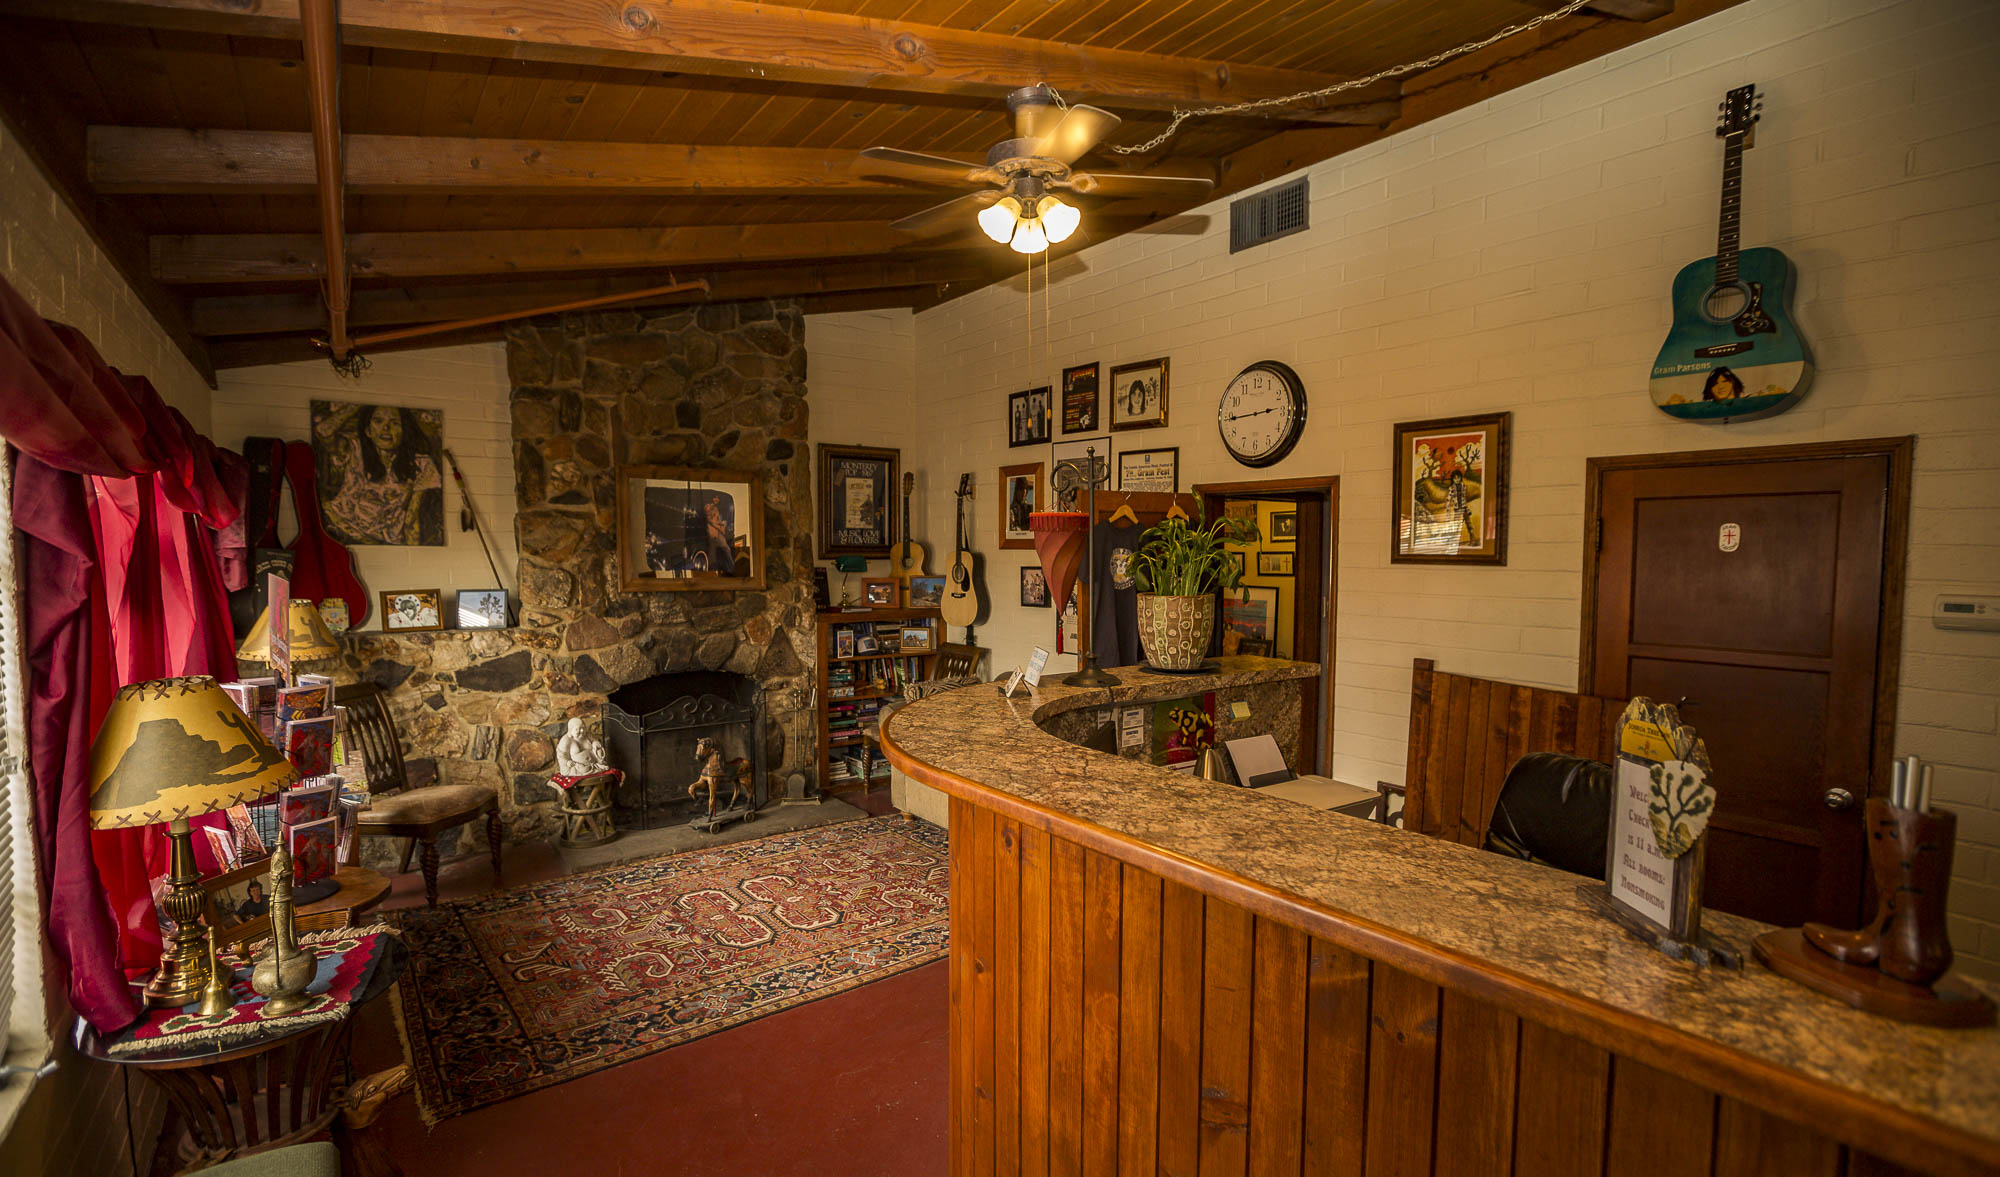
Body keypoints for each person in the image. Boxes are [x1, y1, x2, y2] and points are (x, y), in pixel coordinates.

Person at [317, 404, 444, 545]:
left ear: (404, 430)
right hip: (338, 527)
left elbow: (411, 519)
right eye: (378, 421)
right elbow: (323, 431)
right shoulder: (355, 450)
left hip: (380, 542)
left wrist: (412, 553)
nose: (386, 428)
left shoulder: (422, 464)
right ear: (368, 431)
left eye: (394, 423)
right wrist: (356, 405)